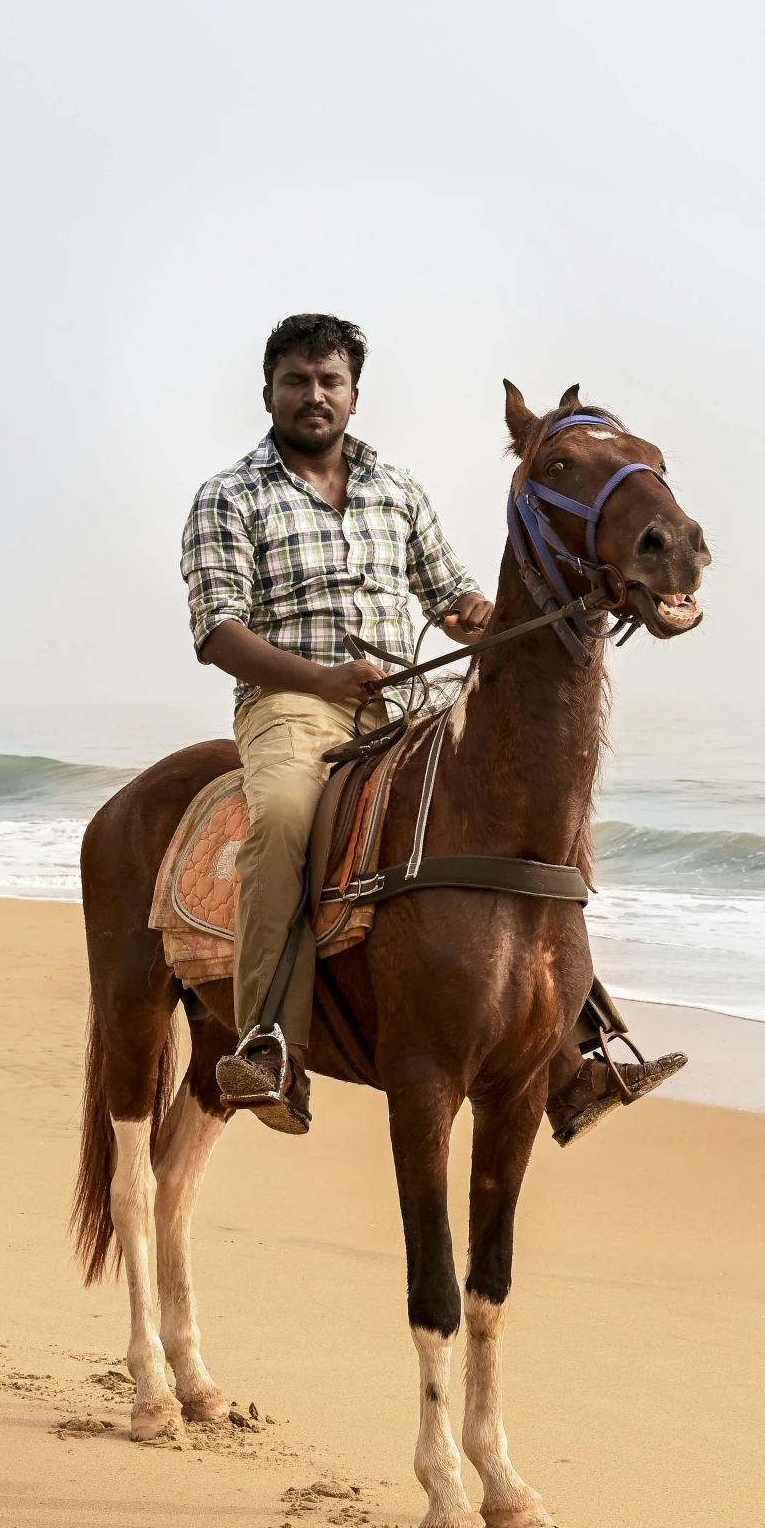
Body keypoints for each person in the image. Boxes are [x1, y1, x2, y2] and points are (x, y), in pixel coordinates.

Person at [181, 312, 685, 1137]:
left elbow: (448, 595)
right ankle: (270, 1039)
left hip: (404, 702)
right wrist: (319, 677)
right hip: (294, 707)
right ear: (269, 392)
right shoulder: (229, 497)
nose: (315, 395)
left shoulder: (395, 488)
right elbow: (218, 633)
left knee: (525, 819)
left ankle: (573, 1050)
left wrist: (500, 614)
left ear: (352, 393)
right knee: (280, 820)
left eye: (330, 381)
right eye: (297, 381)